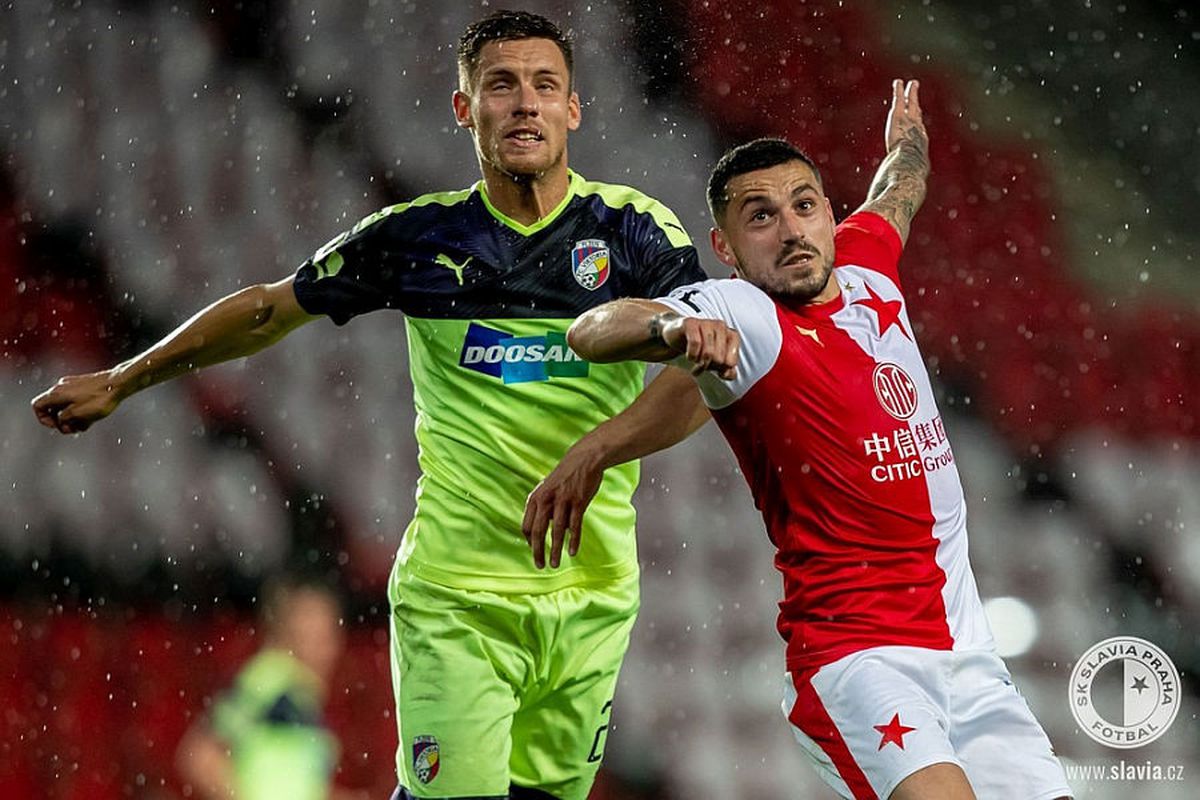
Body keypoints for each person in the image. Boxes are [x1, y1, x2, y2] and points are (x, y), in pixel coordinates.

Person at [32, 10, 709, 800]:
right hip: (459, 598)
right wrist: (122, 378)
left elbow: (700, 369)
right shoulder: (420, 238)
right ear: (465, 109)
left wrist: (597, 448)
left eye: (544, 85)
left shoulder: (633, 233)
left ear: (574, 108)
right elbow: (267, 309)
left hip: (592, 595)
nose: (525, 103)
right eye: (501, 85)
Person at [566, 80, 1073, 800]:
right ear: (727, 248)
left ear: (832, 214)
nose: (791, 230)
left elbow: (901, 187)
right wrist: (673, 330)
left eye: (804, 205)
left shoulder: (868, 266)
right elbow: (592, 330)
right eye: (760, 217)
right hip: (859, 663)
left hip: (969, 662)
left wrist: (907, 143)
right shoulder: (745, 312)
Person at [176, 578, 359, 800]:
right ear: (287, 632)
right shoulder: (268, 679)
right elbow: (199, 755)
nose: (319, 647)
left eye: (324, 634)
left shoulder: (308, 697)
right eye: (308, 633)